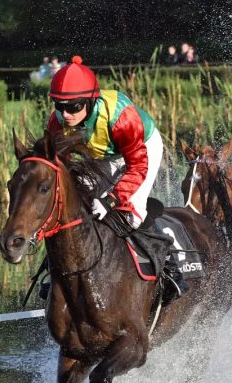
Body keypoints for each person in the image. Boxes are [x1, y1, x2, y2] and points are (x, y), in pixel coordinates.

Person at [45, 56, 186, 301]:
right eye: (59, 106)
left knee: (131, 213)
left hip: (142, 150)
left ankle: (170, 269)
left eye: (74, 107)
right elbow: (60, 165)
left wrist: (111, 199)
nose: (65, 114)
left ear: (90, 101)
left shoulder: (121, 117)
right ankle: (54, 273)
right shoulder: (57, 121)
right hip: (103, 156)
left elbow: (137, 166)